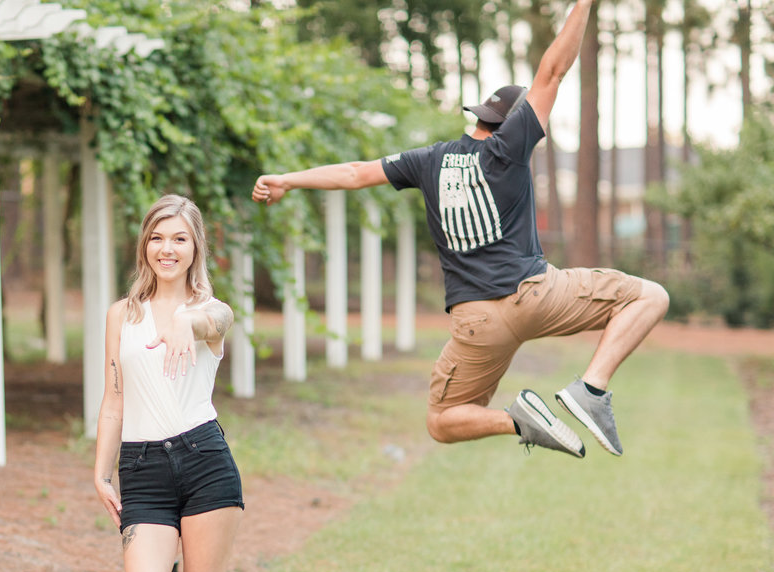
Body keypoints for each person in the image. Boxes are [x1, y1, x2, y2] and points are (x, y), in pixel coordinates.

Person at [251, 0, 669, 458]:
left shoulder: (427, 160)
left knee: (442, 421)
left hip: (476, 322)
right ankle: (590, 388)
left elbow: (353, 173)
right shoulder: (509, 148)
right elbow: (552, 71)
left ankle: (518, 420)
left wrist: (288, 179)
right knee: (649, 296)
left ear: (479, 117)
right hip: (533, 295)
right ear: (513, 124)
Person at [93, 194, 245, 572]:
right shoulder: (121, 315)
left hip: (206, 461)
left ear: (195, 247)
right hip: (142, 469)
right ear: (145, 245)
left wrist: (185, 318)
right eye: (158, 237)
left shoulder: (212, 312)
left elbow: (218, 321)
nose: (167, 248)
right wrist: (100, 471)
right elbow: (113, 398)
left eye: (179, 238)